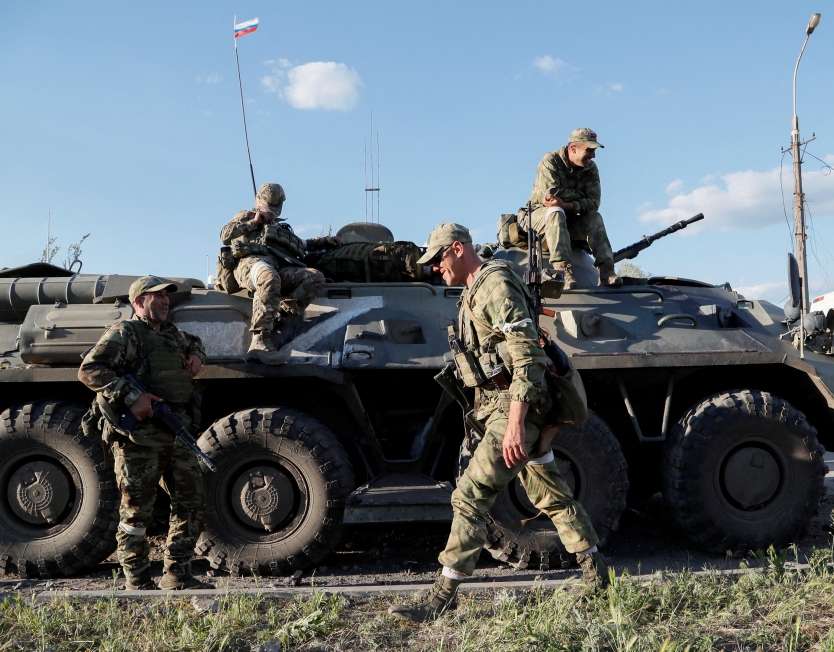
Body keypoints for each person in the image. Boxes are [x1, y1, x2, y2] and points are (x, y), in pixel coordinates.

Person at [388, 223, 609, 623]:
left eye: (438, 259)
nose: (436, 269)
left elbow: (529, 357)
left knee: (470, 494)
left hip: (515, 406)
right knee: (550, 491)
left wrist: (515, 424)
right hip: (504, 405)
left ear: (458, 249)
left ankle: (442, 596)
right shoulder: (476, 287)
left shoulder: (493, 285)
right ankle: (596, 572)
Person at [78, 276, 213, 591]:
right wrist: (131, 396)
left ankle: (177, 575)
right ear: (139, 302)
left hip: (175, 434)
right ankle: (137, 581)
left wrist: (197, 355)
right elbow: (90, 369)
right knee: (137, 514)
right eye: (158, 296)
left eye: (167, 296)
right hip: (139, 439)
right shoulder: (125, 333)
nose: (166, 301)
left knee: (192, 503)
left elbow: (194, 342)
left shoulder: (171, 334)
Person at [219, 183, 339, 364]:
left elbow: (301, 244)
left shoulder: (279, 228)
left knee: (314, 277)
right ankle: (259, 340)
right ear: (257, 201)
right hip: (250, 265)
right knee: (268, 277)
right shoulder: (246, 216)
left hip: (277, 266)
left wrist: (325, 241)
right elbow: (225, 234)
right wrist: (254, 221)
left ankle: (279, 315)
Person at [529, 127, 620, 289]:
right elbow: (552, 194)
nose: (593, 155)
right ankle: (562, 270)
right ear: (573, 148)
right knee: (555, 212)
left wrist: (566, 204)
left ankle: (606, 271)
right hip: (539, 218)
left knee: (594, 217)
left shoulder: (590, 168)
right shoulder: (551, 161)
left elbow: (593, 203)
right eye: (589, 150)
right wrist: (575, 200)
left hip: (570, 217)